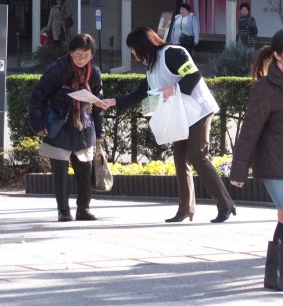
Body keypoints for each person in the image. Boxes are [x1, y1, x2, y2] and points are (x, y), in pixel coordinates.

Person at [98, 26, 236, 224]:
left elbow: (194, 76)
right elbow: (142, 94)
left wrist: (174, 88)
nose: (133, 54)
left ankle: (226, 204)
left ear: (142, 46)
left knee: (198, 156)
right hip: (181, 116)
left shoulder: (174, 53)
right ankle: (185, 208)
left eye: (133, 49)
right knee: (180, 159)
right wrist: (113, 102)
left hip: (199, 110)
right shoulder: (151, 65)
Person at [28, 33, 105, 222]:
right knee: (61, 173)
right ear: (70, 53)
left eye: (86, 56)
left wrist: (100, 131)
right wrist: (38, 125)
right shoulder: (57, 70)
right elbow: (38, 96)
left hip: (83, 126)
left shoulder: (94, 73)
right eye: (78, 55)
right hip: (58, 125)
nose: (82, 60)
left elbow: (98, 102)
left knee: (85, 172)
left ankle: (83, 209)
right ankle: (63, 210)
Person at [230, 30, 283, 291]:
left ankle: (275, 274)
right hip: (275, 164)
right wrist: (239, 171)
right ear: (276, 55)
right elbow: (250, 129)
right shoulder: (265, 89)